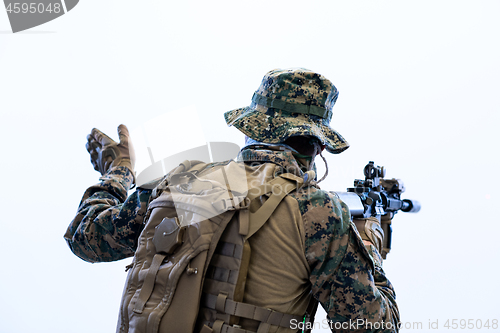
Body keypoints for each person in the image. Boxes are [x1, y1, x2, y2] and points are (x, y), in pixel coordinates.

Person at [65, 68, 400, 332]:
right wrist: (369, 243)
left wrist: (119, 169)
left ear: (249, 128)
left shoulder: (180, 179)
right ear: (319, 147)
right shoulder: (320, 214)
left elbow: (86, 237)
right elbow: (373, 328)